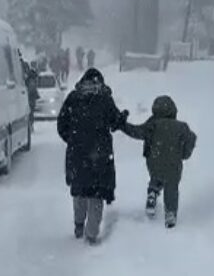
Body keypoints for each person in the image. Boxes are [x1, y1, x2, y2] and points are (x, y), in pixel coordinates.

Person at [57, 68, 127, 245]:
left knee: (79, 190)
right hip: (99, 156)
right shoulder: (104, 98)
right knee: (96, 194)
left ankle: (79, 225)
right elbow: (115, 121)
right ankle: (91, 235)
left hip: (78, 154)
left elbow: (61, 124)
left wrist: (73, 140)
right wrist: (123, 117)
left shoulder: (73, 98)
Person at [118, 96, 197, 229]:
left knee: (156, 177)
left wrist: (122, 125)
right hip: (173, 164)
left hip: (154, 162)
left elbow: (136, 132)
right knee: (171, 186)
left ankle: (153, 193)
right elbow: (190, 141)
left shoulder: (152, 125)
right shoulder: (182, 127)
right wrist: (184, 154)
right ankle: (170, 214)